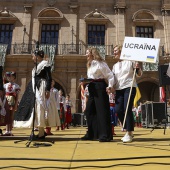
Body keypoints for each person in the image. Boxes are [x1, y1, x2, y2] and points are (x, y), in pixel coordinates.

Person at [14, 49, 60, 139]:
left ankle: (41, 133)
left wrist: (47, 90)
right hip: (34, 87)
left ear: (37, 56)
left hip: (41, 87)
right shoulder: (36, 66)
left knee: (40, 107)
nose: (32, 58)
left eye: (33, 56)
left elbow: (49, 78)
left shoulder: (45, 64)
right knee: (35, 108)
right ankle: (41, 132)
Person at [81, 47, 115, 142]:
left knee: (102, 111)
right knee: (89, 110)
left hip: (100, 86)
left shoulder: (101, 63)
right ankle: (92, 133)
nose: (86, 55)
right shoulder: (90, 64)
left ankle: (105, 135)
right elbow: (91, 77)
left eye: (87, 53)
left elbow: (110, 75)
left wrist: (110, 86)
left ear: (92, 53)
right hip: (92, 86)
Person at [112, 45, 142, 143]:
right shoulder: (115, 66)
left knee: (127, 108)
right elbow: (113, 78)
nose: (114, 53)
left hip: (129, 87)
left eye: (116, 51)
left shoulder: (130, 61)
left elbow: (139, 74)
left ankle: (129, 132)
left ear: (121, 51)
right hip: (119, 88)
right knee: (118, 109)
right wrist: (110, 86)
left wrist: (137, 68)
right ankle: (127, 128)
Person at [1, 71, 20, 136]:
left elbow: (17, 95)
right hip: (6, 100)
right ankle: (6, 130)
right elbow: (3, 94)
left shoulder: (16, 86)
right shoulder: (5, 85)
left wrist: (16, 103)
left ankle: (10, 130)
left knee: (11, 115)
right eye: (8, 76)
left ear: (14, 77)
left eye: (11, 76)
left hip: (12, 100)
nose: (9, 77)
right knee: (6, 115)